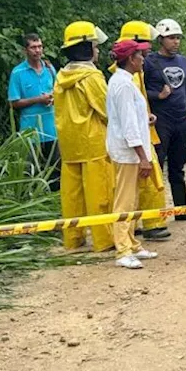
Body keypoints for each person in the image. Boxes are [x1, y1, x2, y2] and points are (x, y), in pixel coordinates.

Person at [52, 22, 116, 254]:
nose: (98, 51)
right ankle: (103, 240)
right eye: (95, 46)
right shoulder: (91, 76)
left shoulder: (61, 76)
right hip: (93, 143)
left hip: (69, 144)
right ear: (86, 48)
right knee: (99, 194)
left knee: (72, 196)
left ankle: (73, 238)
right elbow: (107, 110)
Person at [110, 21, 171, 242]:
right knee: (139, 188)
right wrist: (142, 154)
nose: (146, 55)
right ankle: (134, 236)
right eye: (142, 51)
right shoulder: (126, 79)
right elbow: (127, 120)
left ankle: (133, 234)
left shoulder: (125, 75)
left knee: (136, 189)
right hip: (133, 144)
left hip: (139, 136)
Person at [105, 38, 162, 270]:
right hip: (129, 153)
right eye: (140, 56)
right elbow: (128, 126)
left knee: (133, 199)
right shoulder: (123, 85)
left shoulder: (123, 81)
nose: (143, 59)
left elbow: (129, 117)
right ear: (130, 59)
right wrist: (143, 157)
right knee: (124, 201)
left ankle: (132, 243)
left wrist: (144, 118)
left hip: (132, 151)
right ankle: (123, 249)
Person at [144, 18, 186, 222]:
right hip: (161, 122)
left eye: (178, 38)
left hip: (180, 120)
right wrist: (157, 95)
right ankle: (154, 216)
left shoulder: (183, 61)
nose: (176, 42)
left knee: (178, 166)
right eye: (171, 38)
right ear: (161, 39)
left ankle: (181, 210)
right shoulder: (149, 62)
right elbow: (140, 91)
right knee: (157, 166)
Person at [8, 33, 58, 191]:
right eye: (33, 47)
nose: (37, 50)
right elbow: (14, 102)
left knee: (55, 170)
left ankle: (55, 201)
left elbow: (59, 91)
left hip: (52, 129)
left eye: (40, 47)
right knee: (31, 170)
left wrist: (53, 99)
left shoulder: (50, 69)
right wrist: (38, 99)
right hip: (31, 131)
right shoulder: (18, 73)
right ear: (25, 50)